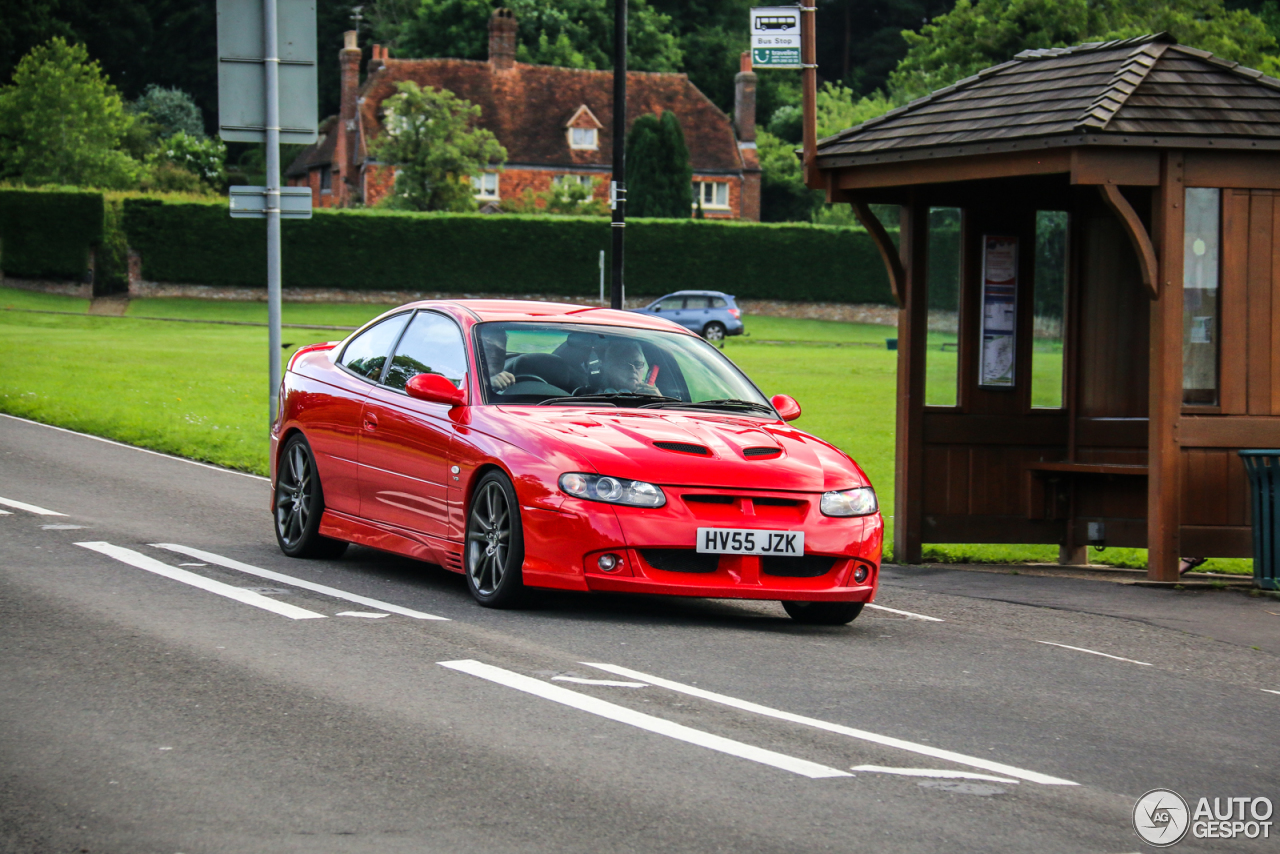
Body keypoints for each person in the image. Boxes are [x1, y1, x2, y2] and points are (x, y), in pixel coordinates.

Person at [595, 339, 660, 395]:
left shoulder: (654, 399)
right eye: (624, 364)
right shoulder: (595, 402)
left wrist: (658, 401)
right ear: (610, 369)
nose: (633, 369)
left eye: (638, 364)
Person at [478, 326, 516, 391]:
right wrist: (487, 383)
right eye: (488, 350)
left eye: (500, 351)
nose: (494, 355)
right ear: (479, 351)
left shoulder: (512, 379)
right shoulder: (465, 377)